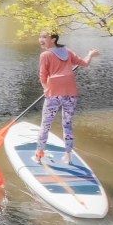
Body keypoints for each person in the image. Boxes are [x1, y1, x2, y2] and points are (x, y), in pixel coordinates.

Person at [36, 31, 100, 164]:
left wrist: (45, 89)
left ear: (53, 39)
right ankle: (68, 156)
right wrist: (90, 54)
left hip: (53, 93)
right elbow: (85, 63)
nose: (40, 39)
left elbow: (42, 76)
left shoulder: (45, 55)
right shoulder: (67, 51)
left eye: (44, 37)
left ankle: (39, 154)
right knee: (67, 124)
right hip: (70, 94)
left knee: (45, 125)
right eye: (40, 37)